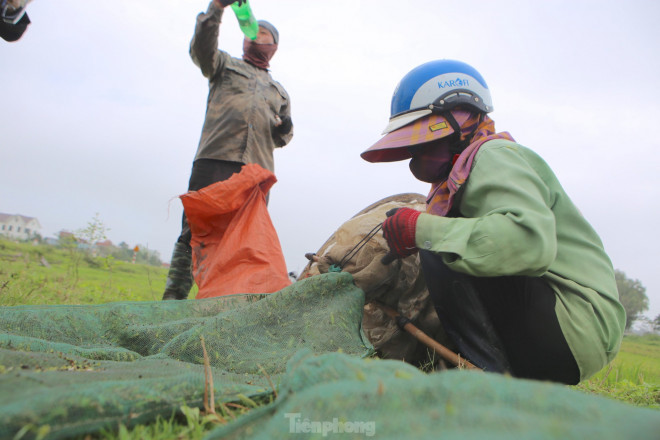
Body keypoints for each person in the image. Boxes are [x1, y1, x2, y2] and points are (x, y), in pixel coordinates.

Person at [361, 59, 625, 384]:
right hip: (562, 333)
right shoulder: (458, 179)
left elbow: (527, 241)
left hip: (574, 321)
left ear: (459, 117)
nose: (417, 151)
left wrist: (421, 229)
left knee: (437, 244)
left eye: (424, 137)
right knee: (441, 239)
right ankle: (480, 372)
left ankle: (486, 382)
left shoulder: (493, 154)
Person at [162, 0, 293, 300]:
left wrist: (285, 126)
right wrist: (217, 8)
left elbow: (284, 138)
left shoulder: (280, 92)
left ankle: (225, 306)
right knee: (194, 231)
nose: (257, 36)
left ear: (274, 46)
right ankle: (172, 301)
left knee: (245, 240)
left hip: (255, 173)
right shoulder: (223, 64)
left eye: (264, 34)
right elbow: (202, 50)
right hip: (214, 160)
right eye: (253, 31)